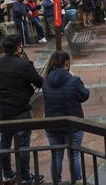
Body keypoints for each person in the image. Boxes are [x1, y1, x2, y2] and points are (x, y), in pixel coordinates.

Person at [0, 35, 44, 185]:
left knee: (4, 142)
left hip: (3, 109)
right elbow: (39, 82)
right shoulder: (23, 64)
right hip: (20, 109)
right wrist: (27, 64)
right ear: (19, 48)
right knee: (23, 145)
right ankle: (25, 177)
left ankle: (7, 174)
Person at [42, 51, 90, 184]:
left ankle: (56, 182)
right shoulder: (73, 80)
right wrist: (73, 77)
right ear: (67, 63)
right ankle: (77, 181)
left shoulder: (46, 80)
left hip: (52, 123)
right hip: (73, 124)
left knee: (57, 154)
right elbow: (84, 95)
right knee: (74, 154)